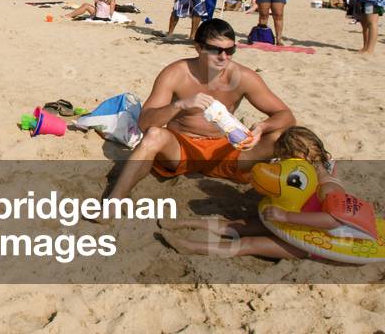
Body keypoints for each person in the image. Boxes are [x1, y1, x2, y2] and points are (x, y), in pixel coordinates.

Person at [106, 19, 295, 200]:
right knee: (154, 135)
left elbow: (286, 115)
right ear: (198, 48)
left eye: (230, 50)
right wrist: (180, 105)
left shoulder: (243, 76)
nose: (224, 57)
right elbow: (145, 122)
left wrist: (262, 127)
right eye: (216, 50)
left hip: (226, 150)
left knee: (287, 137)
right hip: (181, 149)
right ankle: (115, 200)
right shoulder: (177, 73)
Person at [159, 126, 354, 260]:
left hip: (311, 242)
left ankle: (192, 247)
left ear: (298, 160)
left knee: (249, 243)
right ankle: (185, 223)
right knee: (241, 225)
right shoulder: (321, 168)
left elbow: (334, 220)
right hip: (291, 223)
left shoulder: (328, 187)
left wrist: (286, 216)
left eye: (284, 160)